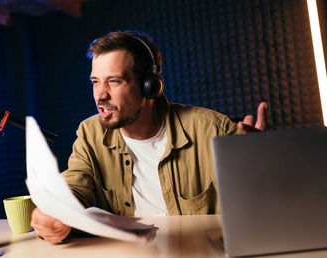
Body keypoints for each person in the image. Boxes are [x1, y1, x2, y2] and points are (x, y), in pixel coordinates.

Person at [31, 31, 267, 243]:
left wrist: (260, 159)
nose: (100, 95)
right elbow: (75, 184)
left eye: (114, 81)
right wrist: (53, 210)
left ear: (150, 86)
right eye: (95, 82)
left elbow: (264, 202)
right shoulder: (90, 134)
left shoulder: (211, 129)